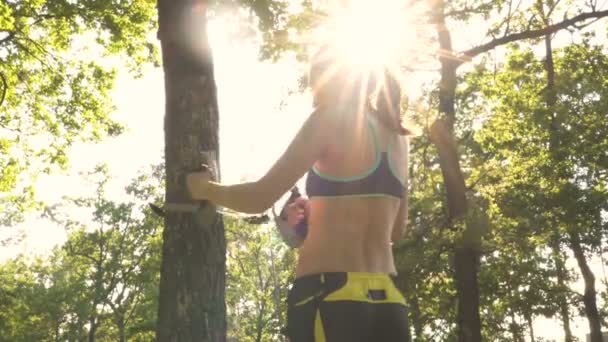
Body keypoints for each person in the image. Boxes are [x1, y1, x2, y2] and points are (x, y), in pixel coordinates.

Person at [186, 45, 413, 341]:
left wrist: (203, 188)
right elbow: (396, 229)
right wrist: (321, 216)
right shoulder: (397, 136)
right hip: (389, 300)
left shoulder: (329, 117)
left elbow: (258, 198)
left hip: (331, 296)